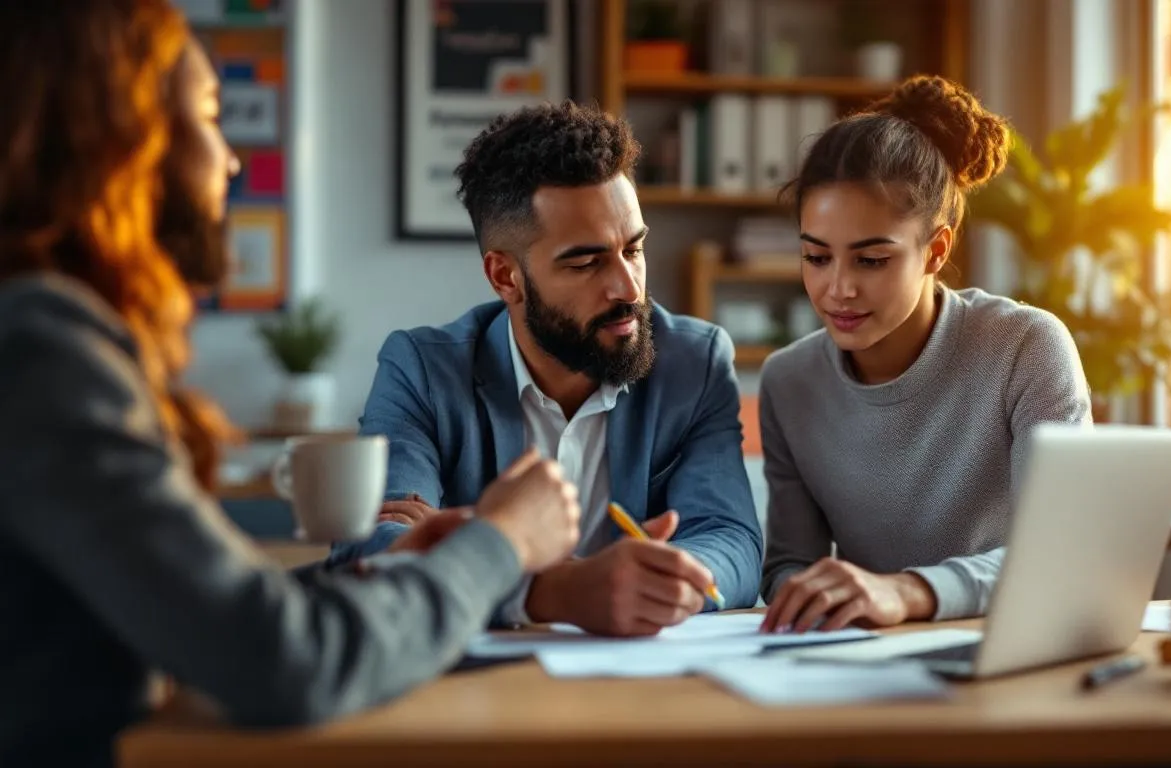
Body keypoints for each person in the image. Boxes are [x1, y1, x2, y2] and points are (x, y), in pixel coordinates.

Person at [0, 3, 580, 766]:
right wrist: (500, 542)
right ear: (120, 140)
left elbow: (204, 618)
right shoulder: (43, 347)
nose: (231, 161)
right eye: (209, 117)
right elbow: (283, 662)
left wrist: (417, 566)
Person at [328, 101, 763, 637]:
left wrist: (662, 581)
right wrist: (561, 592)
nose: (628, 288)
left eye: (634, 249)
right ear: (505, 277)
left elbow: (732, 539)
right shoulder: (421, 371)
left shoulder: (694, 362)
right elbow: (369, 552)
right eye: (585, 263)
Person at [757, 75, 1092, 634]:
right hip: (860, 660)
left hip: (1006, 646)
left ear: (936, 250)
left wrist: (908, 591)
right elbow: (792, 564)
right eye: (817, 258)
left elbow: (1061, 552)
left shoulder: (1026, 348)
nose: (838, 288)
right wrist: (804, 593)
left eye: (871, 261)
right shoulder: (788, 381)